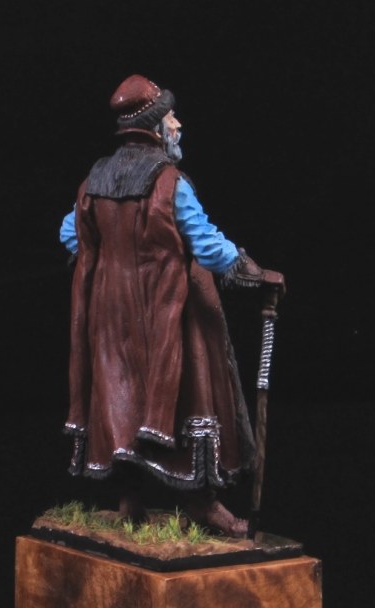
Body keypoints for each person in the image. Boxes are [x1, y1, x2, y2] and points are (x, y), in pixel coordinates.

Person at [59, 75, 283, 537]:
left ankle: (130, 502)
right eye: (170, 116)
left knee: (122, 399)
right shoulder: (169, 182)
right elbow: (206, 245)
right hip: (168, 313)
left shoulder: (93, 181)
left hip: (110, 316)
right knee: (186, 400)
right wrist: (254, 272)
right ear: (156, 127)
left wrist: (116, 262)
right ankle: (202, 504)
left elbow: (70, 234)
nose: (177, 123)